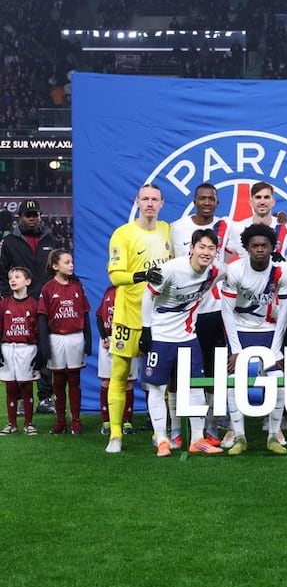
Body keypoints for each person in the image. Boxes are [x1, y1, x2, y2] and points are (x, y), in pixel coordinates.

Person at [140, 228, 225, 457]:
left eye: (211, 248)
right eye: (202, 247)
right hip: (161, 337)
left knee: (195, 386)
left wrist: (275, 262)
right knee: (157, 388)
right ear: (192, 248)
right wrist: (146, 329)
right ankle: (162, 440)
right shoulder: (171, 269)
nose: (206, 252)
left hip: (188, 337)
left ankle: (197, 439)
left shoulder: (216, 270)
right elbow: (148, 295)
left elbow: (239, 271)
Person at [105, 183, 171, 454]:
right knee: (120, 374)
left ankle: (160, 433)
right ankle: (115, 434)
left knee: (161, 379)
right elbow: (115, 276)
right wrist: (142, 276)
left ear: (162, 203)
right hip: (128, 316)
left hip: (159, 318)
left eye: (155, 199)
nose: (150, 203)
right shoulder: (123, 234)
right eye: (145, 199)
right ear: (137, 202)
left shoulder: (167, 230)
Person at [220, 223, 287, 455]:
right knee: (234, 380)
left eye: (264, 245)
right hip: (240, 331)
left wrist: (276, 350)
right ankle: (238, 434)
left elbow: (284, 313)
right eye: (255, 246)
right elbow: (226, 312)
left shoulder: (283, 271)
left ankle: (273, 433)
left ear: (272, 247)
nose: (260, 249)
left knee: (278, 379)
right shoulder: (235, 270)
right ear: (247, 248)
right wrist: (235, 350)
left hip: (269, 331)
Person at [170, 183, 232, 445]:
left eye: (211, 199)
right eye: (202, 198)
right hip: (183, 313)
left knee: (214, 372)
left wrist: (280, 221)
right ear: (194, 201)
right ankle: (175, 429)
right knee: (178, 372)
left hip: (214, 312)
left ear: (217, 203)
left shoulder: (227, 226)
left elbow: (254, 240)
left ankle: (212, 426)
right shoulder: (176, 228)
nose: (207, 202)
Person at [0, 198, 60, 415]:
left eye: (35, 215)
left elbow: (57, 270)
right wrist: (9, 299)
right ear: (20, 217)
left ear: (40, 216)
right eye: (28, 215)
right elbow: (2, 273)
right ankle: (20, 400)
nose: (32, 219)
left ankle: (45, 398)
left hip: (45, 303)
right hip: (19, 303)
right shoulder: (9, 242)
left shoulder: (51, 239)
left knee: (44, 349)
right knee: (19, 350)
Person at [37, 250, 92, 435]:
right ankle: (60, 421)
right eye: (67, 262)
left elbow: (85, 314)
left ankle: (76, 421)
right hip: (56, 339)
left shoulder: (77, 287)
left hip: (75, 337)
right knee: (58, 381)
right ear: (55, 266)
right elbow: (42, 318)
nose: (71, 265)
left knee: (74, 380)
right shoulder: (47, 288)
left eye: (72, 262)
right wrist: (44, 345)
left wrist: (88, 341)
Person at [0, 267, 42, 436]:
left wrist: (40, 352)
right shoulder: (4, 304)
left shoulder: (34, 304)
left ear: (27, 282)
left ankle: (28, 423)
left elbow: (39, 331)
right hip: (8, 348)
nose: (13, 279)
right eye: (10, 277)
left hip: (27, 348)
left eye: (17, 277)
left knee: (26, 386)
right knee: (10, 387)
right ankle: (12, 424)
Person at [96, 285, 138, 436]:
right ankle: (107, 421)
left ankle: (127, 421)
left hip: (127, 338)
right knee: (106, 381)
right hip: (108, 340)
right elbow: (99, 315)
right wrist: (103, 336)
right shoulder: (109, 291)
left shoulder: (133, 290)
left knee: (128, 382)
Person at [227, 181, 287, 259]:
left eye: (266, 197)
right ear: (251, 202)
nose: (262, 202)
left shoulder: (286, 226)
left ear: (273, 202)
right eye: (258, 197)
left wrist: (284, 264)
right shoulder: (238, 228)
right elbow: (223, 257)